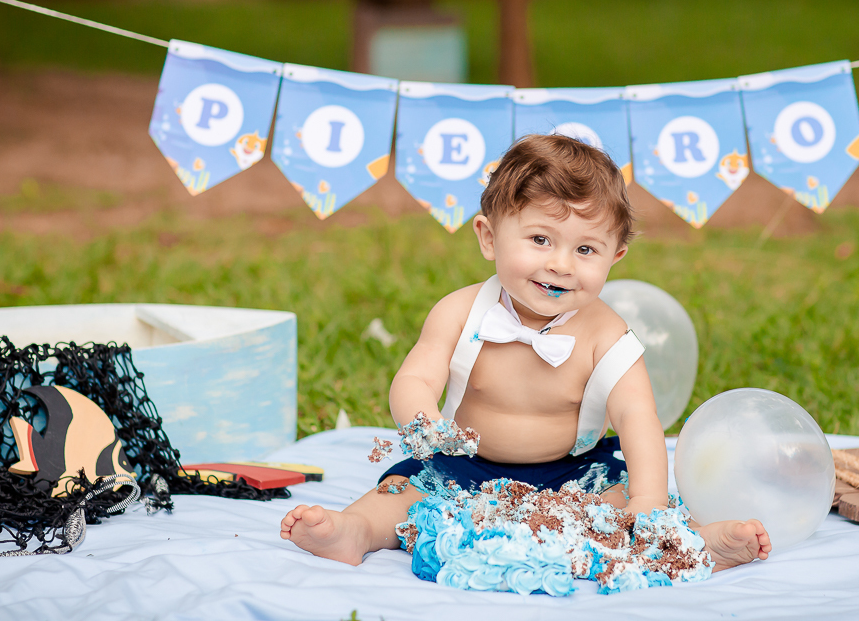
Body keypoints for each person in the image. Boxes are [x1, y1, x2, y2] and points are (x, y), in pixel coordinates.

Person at [280, 134, 770, 572]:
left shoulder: (607, 333)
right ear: (489, 238)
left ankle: (688, 547)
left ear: (615, 255)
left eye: (585, 250)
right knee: (399, 494)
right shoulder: (460, 311)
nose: (559, 264)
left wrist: (646, 501)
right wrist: (426, 424)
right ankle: (355, 533)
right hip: (462, 465)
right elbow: (415, 379)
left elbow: (639, 418)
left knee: (627, 505)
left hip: (575, 474)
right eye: (540, 240)